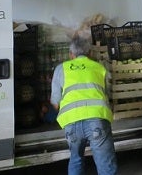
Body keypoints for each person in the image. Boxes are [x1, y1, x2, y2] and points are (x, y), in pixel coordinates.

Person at [50, 33, 117, 175]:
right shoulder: (99, 68)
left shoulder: (61, 69)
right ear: (90, 53)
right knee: (105, 164)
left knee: (76, 159)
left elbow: (55, 104)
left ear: (71, 54)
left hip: (71, 122)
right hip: (97, 120)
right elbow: (108, 97)